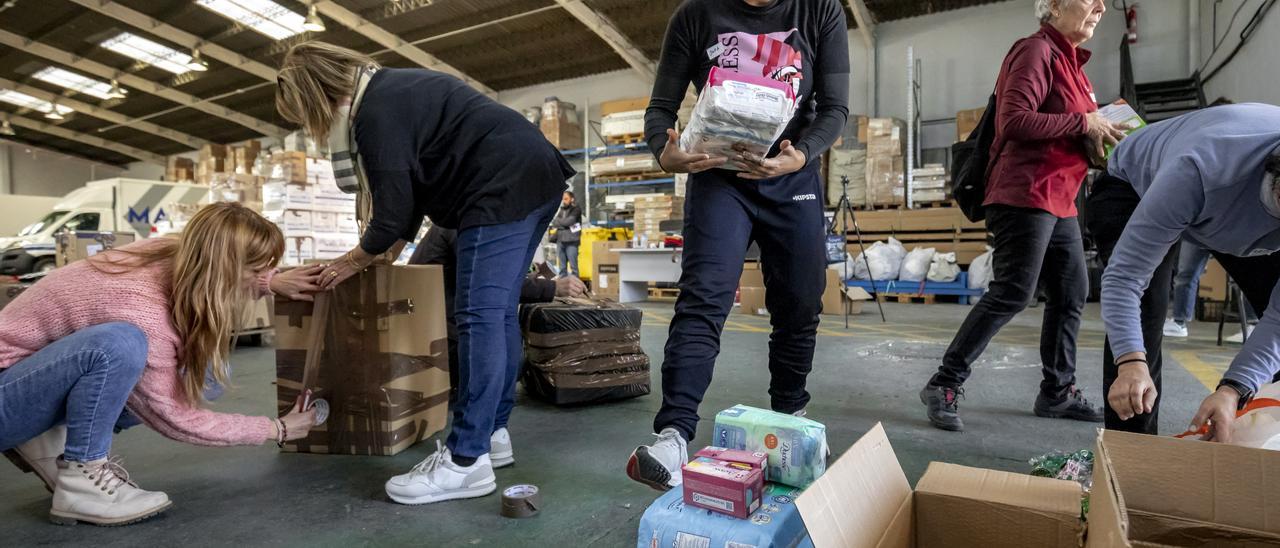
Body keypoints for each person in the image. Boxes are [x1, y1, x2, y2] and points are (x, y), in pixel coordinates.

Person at [275, 41, 575, 505]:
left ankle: (465, 460)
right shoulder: (392, 90)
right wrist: (384, 256)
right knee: (496, 314)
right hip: (533, 176)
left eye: (305, 114)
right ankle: (492, 435)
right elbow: (408, 202)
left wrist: (350, 262)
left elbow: (392, 213)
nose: (312, 126)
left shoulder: (373, 114)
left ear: (315, 96)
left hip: (498, 185)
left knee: (478, 317)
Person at [626, 0, 850, 491]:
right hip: (718, 177)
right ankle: (673, 435)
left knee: (799, 300)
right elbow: (661, 107)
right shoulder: (695, 16)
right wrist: (664, 152)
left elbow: (835, 108)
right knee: (703, 298)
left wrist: (801, 155)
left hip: (791, 176)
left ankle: (790, 413)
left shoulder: (820, 10)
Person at [0, 202, 321, 526]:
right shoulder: (143, 311)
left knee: (206, 375)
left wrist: (270, 282)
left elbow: (223, 267)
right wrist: (276, 428)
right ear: (222, 268)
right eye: (256, 270)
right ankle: (83, 480)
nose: (262, 276)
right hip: (6, 394)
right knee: (119, 344)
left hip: (24, 378)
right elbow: (175, 416)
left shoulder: (173, 251)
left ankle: (48, 434)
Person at [918, 0, 1126, 432]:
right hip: (1025, 192)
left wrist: (1098, 140)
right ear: (1054, 6)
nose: (1101, 6)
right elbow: (1014, 121)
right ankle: (944, 382)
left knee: (1072, 292)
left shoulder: (1075, 68)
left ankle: (1057, 392)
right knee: (1013, 291)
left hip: (1061, 199)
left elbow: (1074, 129)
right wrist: (1083, 123)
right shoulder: (1035, 50)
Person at [1094, 103, 1280, 438]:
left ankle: (1260, 439)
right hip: (1134, 186)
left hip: (1226, 209)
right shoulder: (1200, 168)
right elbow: (1125, 278)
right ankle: (1131, 453)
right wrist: (1131, 361)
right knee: (1144, 314)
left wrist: (1234, 388)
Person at [409, 225, 587, 403]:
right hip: (441, 335)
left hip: (436, 323)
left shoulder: (457, 224)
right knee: (513, 361)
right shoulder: (462, 227)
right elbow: (491, 280)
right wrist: (553, 287)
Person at [1163, 239, 1257, 341]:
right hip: (1198, 233)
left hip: (1225, 232)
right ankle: (1179, 323)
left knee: (1247, 273)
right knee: (1185, 274)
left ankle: (1253, 326)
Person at [551, 191, 583, 278]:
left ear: (572, 199)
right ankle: (563, 284)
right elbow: (554, 222)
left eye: (566, 199)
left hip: (572, 241)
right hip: (560, 240)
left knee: (574, 267)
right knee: (562, 269)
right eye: (563, 199)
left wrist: (561, 224)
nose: (564, 201)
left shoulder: (576, 209)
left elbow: (570, 221)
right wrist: (565, 225)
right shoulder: (562, 210)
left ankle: (575, 285)